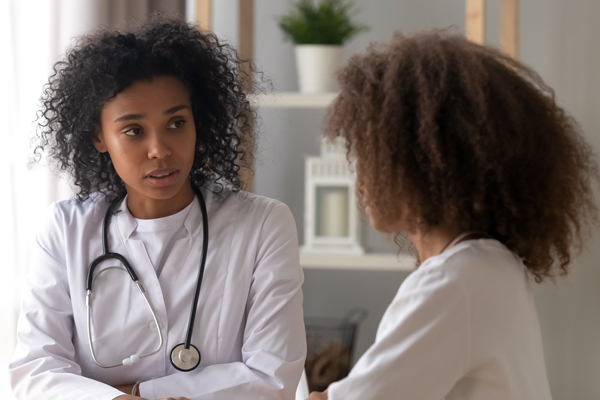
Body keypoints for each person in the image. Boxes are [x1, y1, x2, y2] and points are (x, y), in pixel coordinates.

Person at [9, 17, 306, 400]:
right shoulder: (65, 229)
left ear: (199, 122)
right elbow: (35, 370)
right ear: (99, 136)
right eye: (133, 130)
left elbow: (273, 377)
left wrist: (134, 392)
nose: (160, 149)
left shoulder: (263, 224)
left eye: (177, 123)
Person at [308, 31, 598, 400]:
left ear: (427, 164)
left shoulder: (451, 282)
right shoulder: (492, 265)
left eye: (373, 155)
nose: (361, 178)